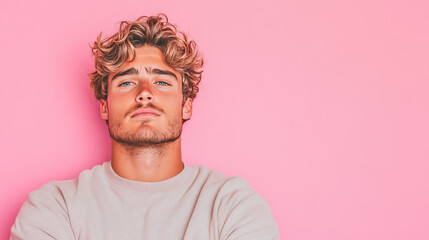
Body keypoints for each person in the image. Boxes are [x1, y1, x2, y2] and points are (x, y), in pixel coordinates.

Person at [10, 14, 280, 240]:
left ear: (186, 104)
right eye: (126, 82)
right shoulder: (54, 207)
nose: (145, 93)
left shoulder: (233, 205)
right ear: (104, 106)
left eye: (162, 82)